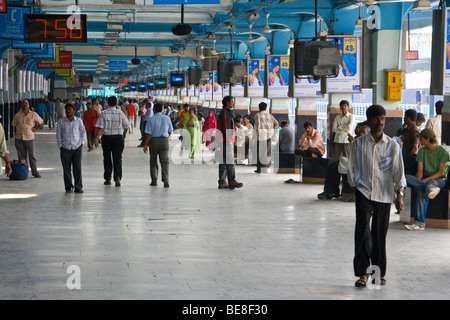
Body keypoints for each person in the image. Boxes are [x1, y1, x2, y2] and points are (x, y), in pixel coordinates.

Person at [347, 104, 406, 288]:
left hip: (384, 194)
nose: (381, 122)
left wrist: (399, 194)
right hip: (364, 192)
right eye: (377, 119)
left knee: (379, 235)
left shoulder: (392, 145)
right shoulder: (359, 143)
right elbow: (352, 167)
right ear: (369, 121)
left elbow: (398, 171)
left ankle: (377, 274)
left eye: (383, 118)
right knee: (363, 233)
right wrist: (354, 184)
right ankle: (363, 274)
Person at [404, 128, 450, 231]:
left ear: (427, 139)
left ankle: (419, 224)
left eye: (421, 138)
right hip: (425, 178)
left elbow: (440, 173)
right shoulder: (422, 151)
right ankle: (429, 189)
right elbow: (420, 172)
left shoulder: (442, 151)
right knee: (406, 177)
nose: (419, 140)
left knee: (425, 189)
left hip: (439, 179)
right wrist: (418, 183)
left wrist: (423, 182)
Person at [317, 122, 369, 201]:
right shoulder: (358, 139)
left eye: (363, 132)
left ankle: (337, 191)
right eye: (359, 130)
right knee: (332, 166)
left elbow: (361, 154)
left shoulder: (369, 142)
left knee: (338, 166)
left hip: (361, 164)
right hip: (353, 161)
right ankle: (331, 191)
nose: (359, 132)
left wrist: (352, 142)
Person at [94, 96, 130, 187]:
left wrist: (97, 138)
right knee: (117, 158)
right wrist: (124, 134)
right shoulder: (120, 113)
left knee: (107, 158)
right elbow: (126, 126)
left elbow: (101, 127)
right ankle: (117, 177)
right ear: (116, 103)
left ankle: (108, 179)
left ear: (108, 103)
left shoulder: (103, 113)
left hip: (107, 138)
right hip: (118, 138)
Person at [56, 104, 87, 193]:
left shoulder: (78, 121)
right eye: (67, 109)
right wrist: (60, 146)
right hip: (65, 148)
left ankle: (78, 187)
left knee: (77, 167)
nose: (68, 111)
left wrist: (81, 142)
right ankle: (68, 186)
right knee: (66, 168)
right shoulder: (61, 122)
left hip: (77, 147)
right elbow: (58, 134)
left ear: (73, 111)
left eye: (70, 109)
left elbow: (83, 132)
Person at [143, 103, 173, 188]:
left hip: (154, 141)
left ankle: (154, 180)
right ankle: (166, 180)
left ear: (154, 110)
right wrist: (166, 137)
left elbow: (148, 134)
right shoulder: (167, 118)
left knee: (153, 161)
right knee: (165, 161)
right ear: (162, 110)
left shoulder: (151, 119)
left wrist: (145, 144)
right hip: (164, 141)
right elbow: (170, 131)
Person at [216, 96, 243, 190]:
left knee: (223, 161)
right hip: (226, 140)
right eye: (232, 102)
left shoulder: (226, 112)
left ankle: (222, 182)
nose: (233, 104)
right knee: (230, 161)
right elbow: (226, 127)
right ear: (227, 103)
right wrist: (229, 140)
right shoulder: (225, 113)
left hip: (223, 140)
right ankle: (232, 181)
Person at [12, 99, 44, 178]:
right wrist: (16, 136)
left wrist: (36, 129)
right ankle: (24, 172)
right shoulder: (17, 115)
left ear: (28, 105)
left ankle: (35, 172)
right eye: (23, 103)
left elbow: (41, 122)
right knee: (22, 157)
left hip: (29, 138)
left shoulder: (33, 114)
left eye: (26, 103)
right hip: (19, 138)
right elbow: (15, 126)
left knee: (32, 156)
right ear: (21, 105)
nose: (25, 105)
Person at [254, 102, 279, 173]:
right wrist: (274, 133)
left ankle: (259, 168)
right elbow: (276, 123)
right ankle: (265, 167)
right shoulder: (270, 115)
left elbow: (257, 125)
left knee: (260, 152)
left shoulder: (257, 115)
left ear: (259, 108)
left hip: (261, 135)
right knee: (267, 152)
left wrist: (257, 134)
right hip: (268, 136)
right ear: (266, 108)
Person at [401, 109, 420, 175]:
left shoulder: (414, 130)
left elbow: (415, 148)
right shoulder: (407, 129)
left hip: (409, 161)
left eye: (405, 116)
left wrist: (409, 161)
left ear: (408, 118)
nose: (404, 118)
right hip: (405, 158)